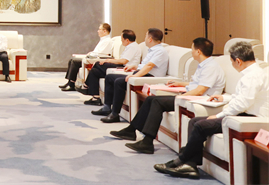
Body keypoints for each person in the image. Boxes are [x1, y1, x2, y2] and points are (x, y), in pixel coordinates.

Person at [154, 41, 268, 179]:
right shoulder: (253, 73)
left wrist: (219, 115)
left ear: (238, 61)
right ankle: (190, 165)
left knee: (200, 126)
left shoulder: (252, 76)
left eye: (232, 62)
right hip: (244, 114)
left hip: (248, 118)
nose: (232, 66)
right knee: (194, 121)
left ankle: (181, 161)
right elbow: (243, 98)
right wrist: (224, 98)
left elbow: (242, 104)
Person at [111, 37, 225, 154]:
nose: (191, 51)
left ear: (198, 51)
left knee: (157, 102)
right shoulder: (204, 65)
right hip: (192, 96)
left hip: (199, 99)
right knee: (150, 99)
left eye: (192, 49)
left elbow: (200, 91)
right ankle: (131, 130)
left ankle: (147, 141)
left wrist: (180, 96)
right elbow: (196, 84)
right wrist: (179, 84)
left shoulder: (210, 67)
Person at [92, 28, 169, 123]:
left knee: (119, 82)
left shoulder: (160, 51)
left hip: (149, 77)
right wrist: (135, 66)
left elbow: (149, 66)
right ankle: (107, 107)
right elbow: (145, 65)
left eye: (146, 36)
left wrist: (135, 76)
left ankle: (115, 114)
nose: (144, 38)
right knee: (109, 77)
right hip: (142, 74)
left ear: (150, 39)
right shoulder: (152, 50)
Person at [80, 29, 141, 106]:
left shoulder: (133, 47)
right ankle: (96, 98)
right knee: (94, 71)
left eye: (122, 40)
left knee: (98, 64)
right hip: (122, 66)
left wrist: (108, 60)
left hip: (126, 68)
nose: (121, 41)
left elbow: (123, 61)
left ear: (127, 40)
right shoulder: (129, 46)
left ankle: (86, 85)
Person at [60, 23, 112, 92]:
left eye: (99, 29)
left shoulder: (107, 41)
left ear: (104, 31)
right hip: (92, 56)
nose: (98, 31)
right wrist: (91, 53)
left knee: (75, 62)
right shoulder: (103, 40)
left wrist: (91, 54)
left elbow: (101, 53)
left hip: (95, 59)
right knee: (71, 59)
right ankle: (69, 82)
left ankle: (71, 84)